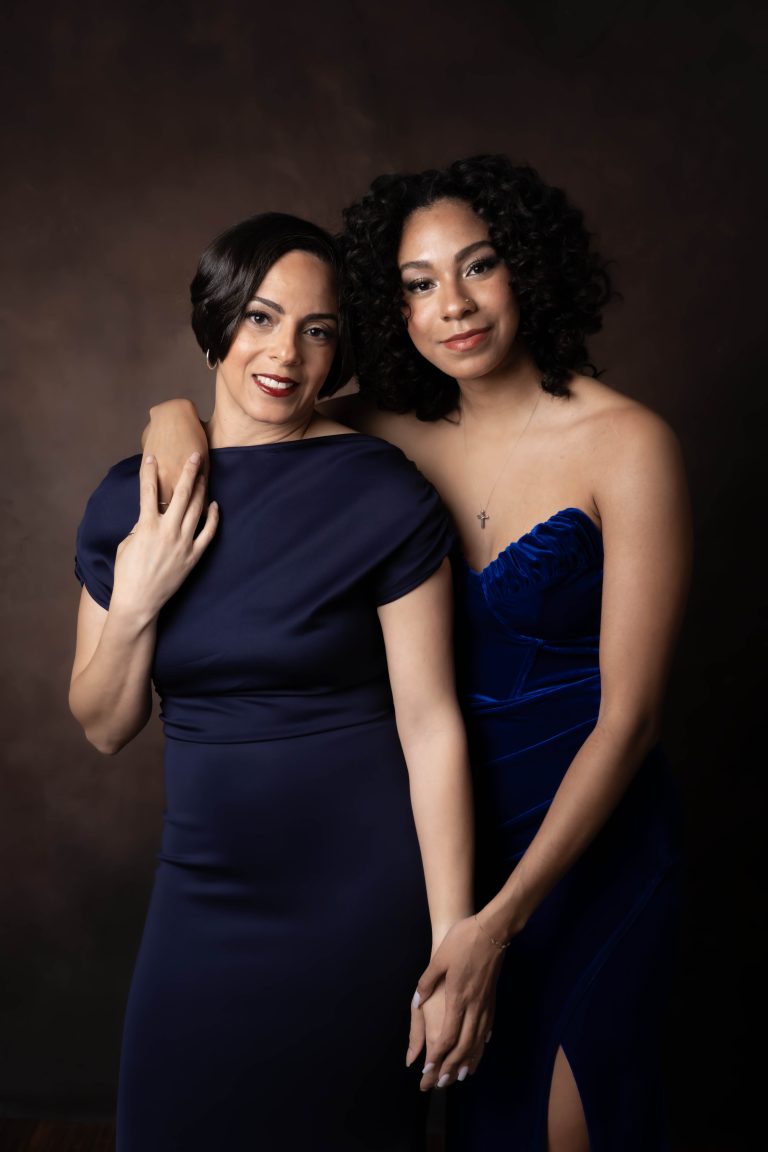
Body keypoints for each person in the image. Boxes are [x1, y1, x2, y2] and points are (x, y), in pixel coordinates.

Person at [141, 156, 693, 1152]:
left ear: (529, 269)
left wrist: (499, 923)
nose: (454, 305)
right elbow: (240, 417)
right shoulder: (373, 433)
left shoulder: (628, 444)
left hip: (586, 848)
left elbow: (633, 719)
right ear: (391, 309)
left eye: (479, 267)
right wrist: (166, 417)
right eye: (418, 284)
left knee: (574, 1125)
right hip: (435, 853)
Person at [69, 211, 479, 1152]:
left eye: (317, 329)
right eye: (259, 317)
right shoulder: (134, 496)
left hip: (363, 899)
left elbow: (430, 723)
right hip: (204, 888)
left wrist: (452, 933)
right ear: (216, 321)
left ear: (341, 349)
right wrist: (139, 599)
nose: (285, 353)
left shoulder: (380, 489)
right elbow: (100, 723)